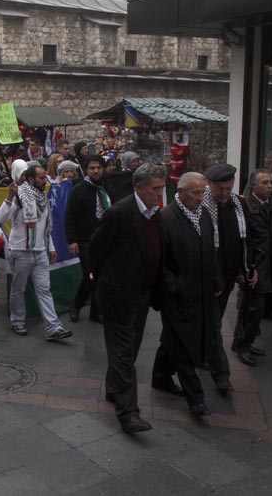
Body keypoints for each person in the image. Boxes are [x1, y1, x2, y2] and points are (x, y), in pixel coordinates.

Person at [89, 163, 166, 434]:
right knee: (123, 355)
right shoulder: (119, 212)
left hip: (142, 296)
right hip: (117, 296)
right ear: (139, 187)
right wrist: (99, 279)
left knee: (130, 351)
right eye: (156, 189)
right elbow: (95, 250)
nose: (160, 194)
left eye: (162, 188)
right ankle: (128, 412)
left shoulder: (155, 214)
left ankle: (114, 389)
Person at [152, 172, 221, 418]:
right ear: (180, 192)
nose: (201, 198)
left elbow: (210, 251)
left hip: (200, 292)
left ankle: (160, 376)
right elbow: (159, 262)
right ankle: (196, 399)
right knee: (182, 345)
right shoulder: (165, 218)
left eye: (203, 192)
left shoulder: (203, 215)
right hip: (177, 296)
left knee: (172, 339)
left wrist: (215, 279)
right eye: (196, 193)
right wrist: (175, 287)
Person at [0, 165, 72, 341]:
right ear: (31, 180)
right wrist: (9, 197)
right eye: (41, 178)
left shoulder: (42, 198)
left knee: (45, 290)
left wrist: (51, 247)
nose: (45, 181)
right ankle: (17, 321)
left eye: (45, 177)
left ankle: (53, 327)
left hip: (40, 251)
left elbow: (45, 228)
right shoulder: (19, 196)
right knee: (18, 289)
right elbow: (1, 219)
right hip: (21, 251)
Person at [233, 169, 272, 366]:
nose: (269, 186)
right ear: (253, 185)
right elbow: (244, 241)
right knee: (251, 308)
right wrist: (248, 267)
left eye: (271, 183)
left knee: (258, 307)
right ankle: (243, 345)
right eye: (265, 183)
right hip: (256, 266)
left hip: (270, 264)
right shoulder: (245, 207)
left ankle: (245, 342)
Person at [202, 163, 249, 393]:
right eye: (220, 189)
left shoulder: (238, 205)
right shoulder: (202, 207)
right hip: (209, 278)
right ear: (209, 185)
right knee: (213, 325)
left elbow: (241, 242)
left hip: (229, 276)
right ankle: (221, 374)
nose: (224, 193)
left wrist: (242, 270)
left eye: (228, 188)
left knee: (212, 321)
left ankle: (201, 355)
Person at [65, 155, 110, 323]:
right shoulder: (79, 190)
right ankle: (76, 305)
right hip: (86, 239)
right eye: (92, 168)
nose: (96, 171)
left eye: (98, 167)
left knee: (101, 275)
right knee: (90, 275)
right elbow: (69, 216)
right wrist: (72, 240)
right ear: (86, 170)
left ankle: (96, 311)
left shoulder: (106, 186)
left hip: (104, 238)